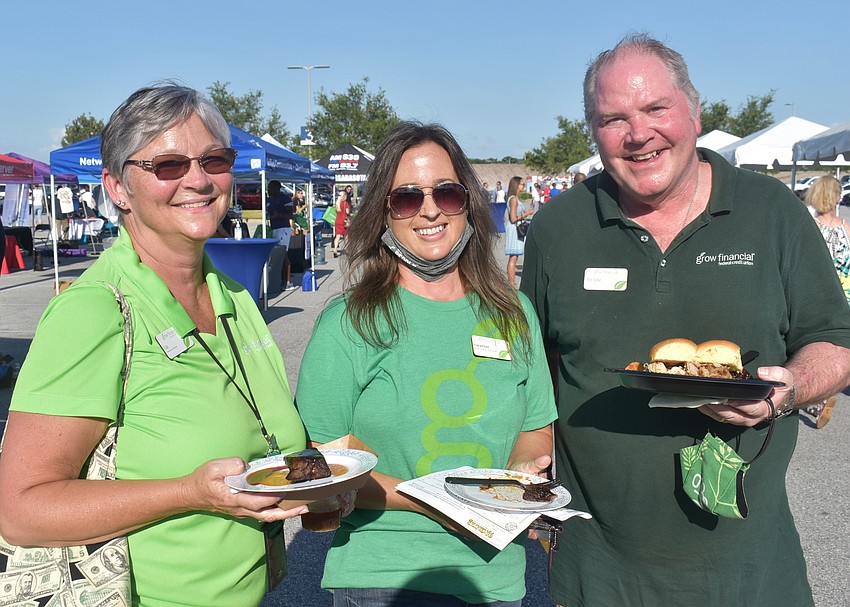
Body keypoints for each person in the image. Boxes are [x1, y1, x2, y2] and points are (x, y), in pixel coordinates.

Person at [520, 34, 850, 607]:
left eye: (655, 109)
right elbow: (530, 374)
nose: (638, 134)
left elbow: (835, 341)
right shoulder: (558, 228)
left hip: (749, 566)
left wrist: (788, 388)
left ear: (694, 111)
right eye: (613, 118)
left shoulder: (772, 213)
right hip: (598, 565)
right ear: (594, 132)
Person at [0, 82, 330, 607]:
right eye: (168, 166)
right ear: (117, 187)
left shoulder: (235, 297)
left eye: (214, 160)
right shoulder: (94, 311)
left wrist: (318, 490)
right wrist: (189, 493)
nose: (198, 180)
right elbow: (20, 509)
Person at [295, 121, 557, 606]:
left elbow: (537, 426)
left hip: (494, 576)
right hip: (384, 573)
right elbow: (325, 457)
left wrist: (524, 474)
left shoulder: (514, 312)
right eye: (407, 198)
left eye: (447, 193)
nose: (431, 209)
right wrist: (443, 504)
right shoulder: (349, 320)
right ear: (383, 214)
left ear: (469, 202)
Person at [802, 175, 848, 428]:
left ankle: (819, 398)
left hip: (818, 295)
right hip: (846, 295)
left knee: (817, 347)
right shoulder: (846, 228)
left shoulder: (810, 228)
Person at [267, 179, 297, 290]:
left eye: (271, 188)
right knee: (276, 254)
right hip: (273, 228)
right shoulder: (269, 199)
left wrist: (278, 215)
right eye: (268, 188)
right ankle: (280, 279)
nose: (269, 190)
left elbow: (290, 215)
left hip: (283, 228)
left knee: (283, 254)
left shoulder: (285, 198)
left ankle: (288, 281)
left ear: (277, 188)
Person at [504, 175, 533, 286]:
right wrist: (526, 214)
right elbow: (513, 218)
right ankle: (511, 282)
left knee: (514, 257)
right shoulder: (514, 200)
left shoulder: (513, 198)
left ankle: (511, 282)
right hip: (515, 229)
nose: (523, 186)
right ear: (516, 185)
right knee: (514, 257)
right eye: (522, 184)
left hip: (515, 228)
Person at [332, 185, 351, 258]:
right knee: (346, 236)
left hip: (338, 220)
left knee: (337, 236)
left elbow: (336, 211)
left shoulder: (337, 203)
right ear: (344, 197)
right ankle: (347, 250)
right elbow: (347, 212)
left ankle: (335, 250)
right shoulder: (345, 203)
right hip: (344, 221)